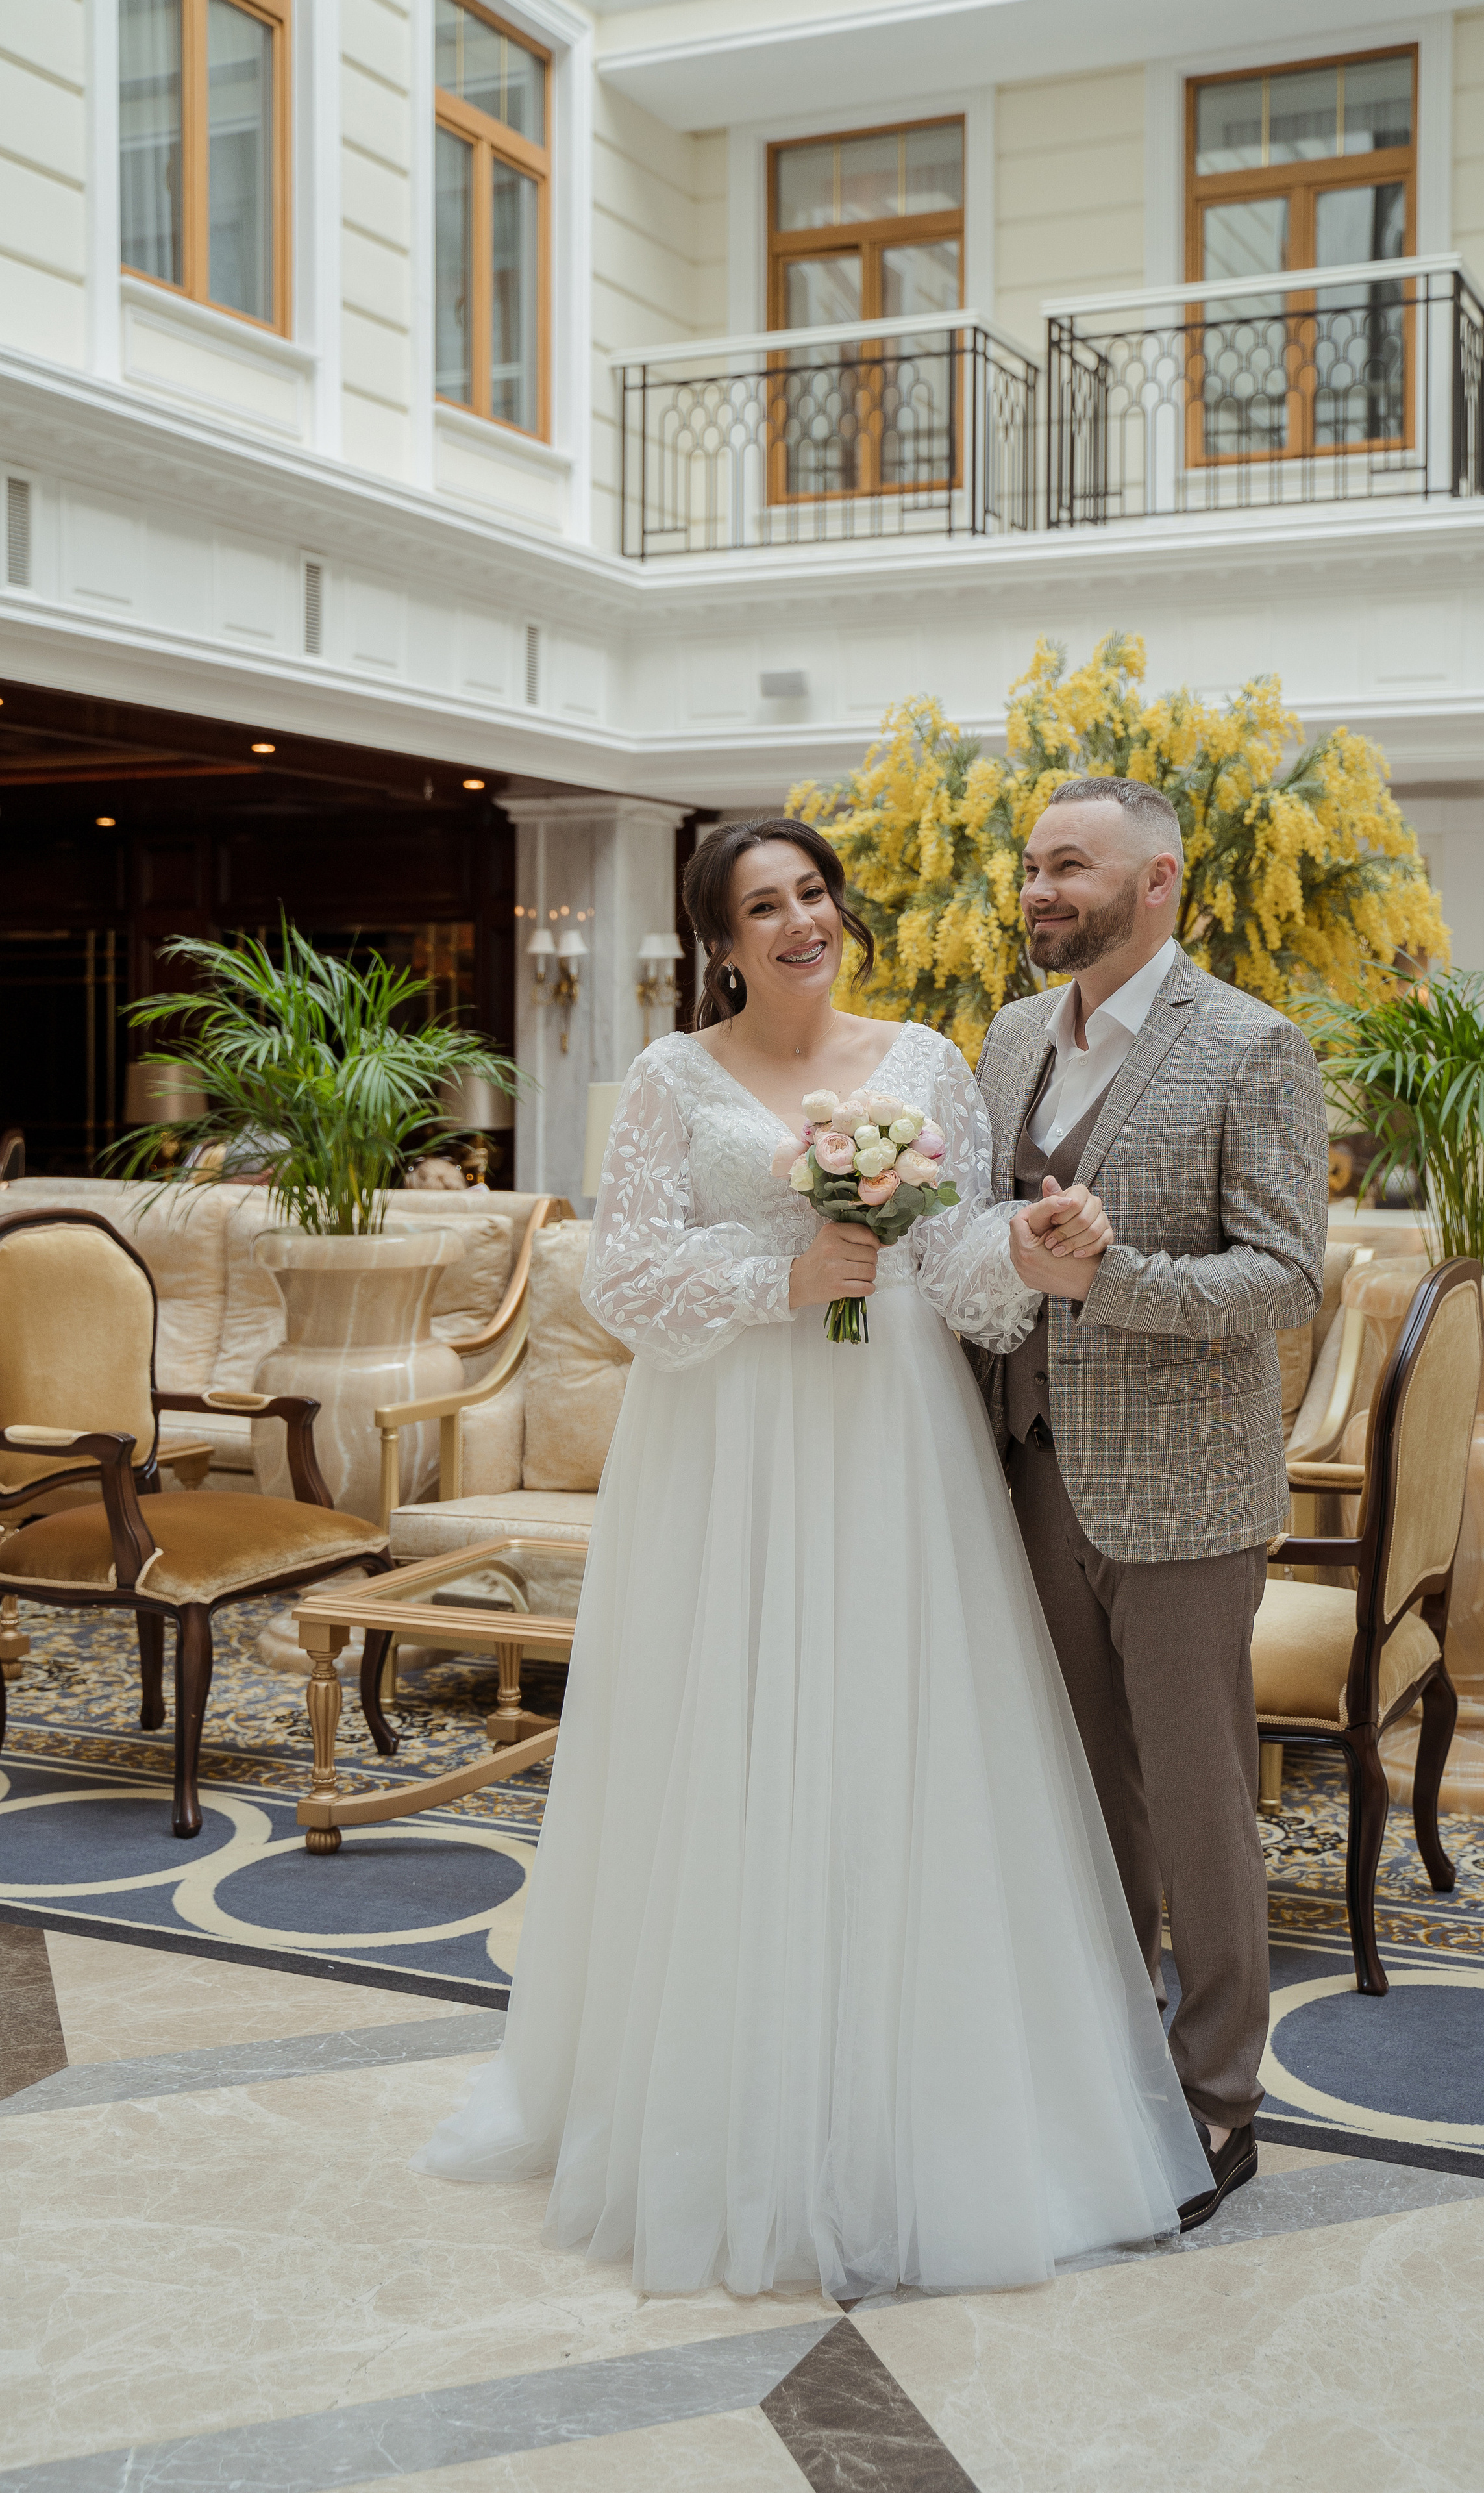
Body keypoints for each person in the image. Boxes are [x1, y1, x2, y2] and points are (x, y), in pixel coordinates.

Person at [414, 815, 1211, 2296]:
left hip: (889, 1442)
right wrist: (783, 1274)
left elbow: (958, 1270)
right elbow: (624, 1279)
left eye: (814, 894)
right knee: (726, 1740)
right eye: (762, 906)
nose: (799, 921)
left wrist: (1027, 1259)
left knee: (892, 1742)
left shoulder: (922, 1062)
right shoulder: (667, 1081)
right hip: (728, 1451)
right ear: (716, 943)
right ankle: (721, 2107)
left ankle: (916, 2109)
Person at [972, 776, 1328, 2230]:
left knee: (1194, 1809)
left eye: (1071, 866)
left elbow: (1287, 1276)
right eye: (1032, 868)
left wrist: (1109, 1278)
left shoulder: (1251, 1047)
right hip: (1025, 1471)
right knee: (1080, 1800)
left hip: (1179, 1490)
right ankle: (1108, 2064)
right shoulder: (1003, 1041)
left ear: (1159, 880)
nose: (1040, 890)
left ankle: (1215, 2099)